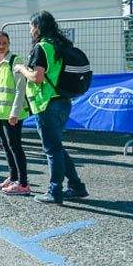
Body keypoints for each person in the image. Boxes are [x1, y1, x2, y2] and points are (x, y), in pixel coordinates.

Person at [18, 11, 89, 205]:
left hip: (47, 103)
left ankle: (54, 191)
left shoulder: (42, 47)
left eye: (31, 27)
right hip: (63, 100)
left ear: (38, 28)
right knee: (57, 147)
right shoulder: (61, 45)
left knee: (52, 149)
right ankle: (76, 185)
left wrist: (21, 69)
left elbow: (37, 77)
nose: (30, 31)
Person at [0, 31, 31, 195]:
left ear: (9, 44)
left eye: (4, 43)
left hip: (12, 114)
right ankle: (13, 178)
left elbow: (20, 89)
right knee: (6, 146)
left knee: (15, 146)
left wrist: (15, 112)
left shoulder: (15, 61)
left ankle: (23, 183)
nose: (1, 46)